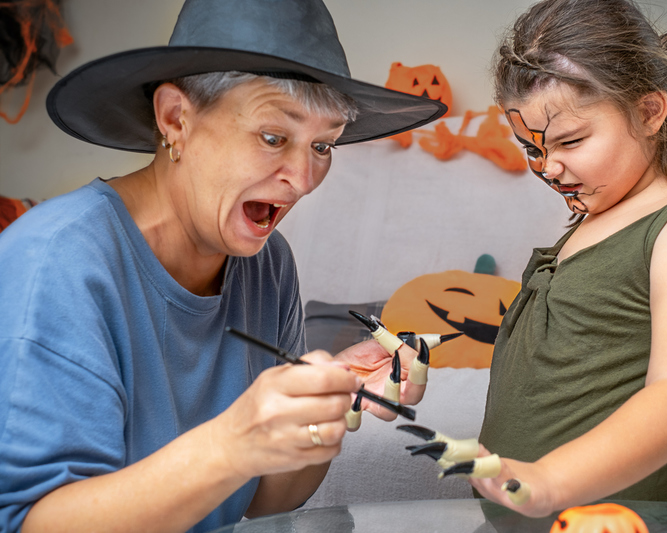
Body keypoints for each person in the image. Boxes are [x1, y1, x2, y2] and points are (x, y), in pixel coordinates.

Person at [0, 1, 443, 532]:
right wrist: (234, 441)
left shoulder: (268, 263)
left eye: (322, 145)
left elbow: (266, 501)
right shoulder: (58, 260)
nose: (304, 179)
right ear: (176, 120)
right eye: (274, 137)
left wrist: (327, 406)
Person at [463, 0, 667, 517]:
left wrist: (552, 478)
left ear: (648, 112)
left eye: (571, 140)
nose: (548, 167)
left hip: (630, 522)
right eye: (532, 148)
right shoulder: (593, 218)